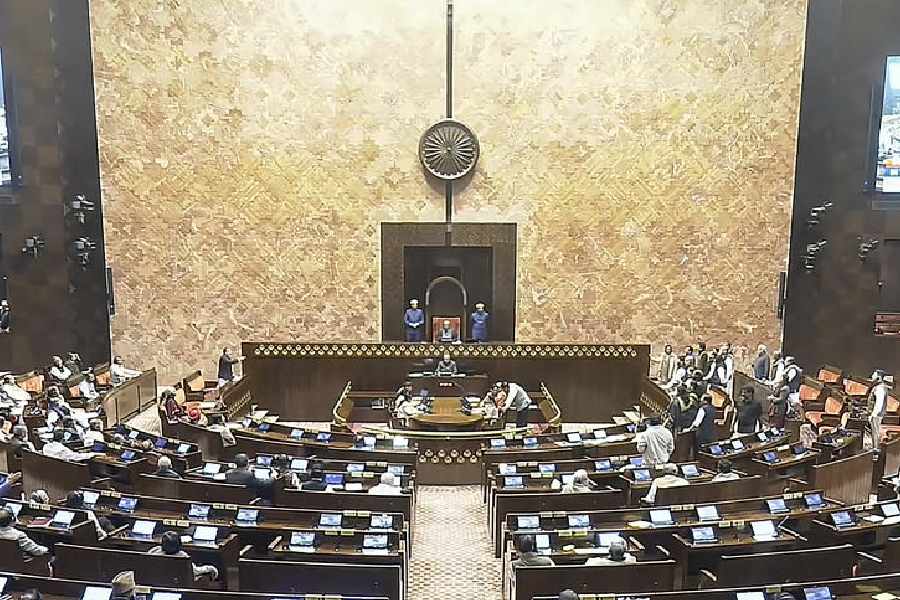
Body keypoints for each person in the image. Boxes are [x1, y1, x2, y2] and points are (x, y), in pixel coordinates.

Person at [149, 531, 219, 581]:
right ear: (179, 544)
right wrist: (211, 568)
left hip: (156, 581)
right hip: (178, 583)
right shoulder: (183, 556)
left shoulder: (154, 551)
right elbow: (194, 572)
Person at [868, 371, 892, 451]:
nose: (872, 376)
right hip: (877, 415)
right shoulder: (878, 387)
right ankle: (875, 448)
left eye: (873, 375)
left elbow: (879, 403)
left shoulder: (880, 388)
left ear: (879, 377)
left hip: (877, 415)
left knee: (876, 432)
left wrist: (873, 415)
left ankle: (876, 449)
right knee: (874, 432)